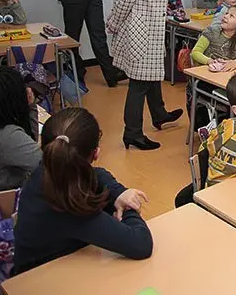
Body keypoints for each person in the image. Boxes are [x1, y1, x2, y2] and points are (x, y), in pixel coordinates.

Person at [13, 108, 153, 274]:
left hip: (43, 271)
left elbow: (97, 174)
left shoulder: (45, 172)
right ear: (96, 153)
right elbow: (141, 244)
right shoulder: (70, 204)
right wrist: (128, 207)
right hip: (46, 280)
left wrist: (119, 193)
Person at [107, 0, 185, 151]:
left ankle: (159, 114)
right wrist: (115, 22)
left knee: (151, 72)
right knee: (139, 82)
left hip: (148, 23)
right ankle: (132, 133)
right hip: (140, 27)